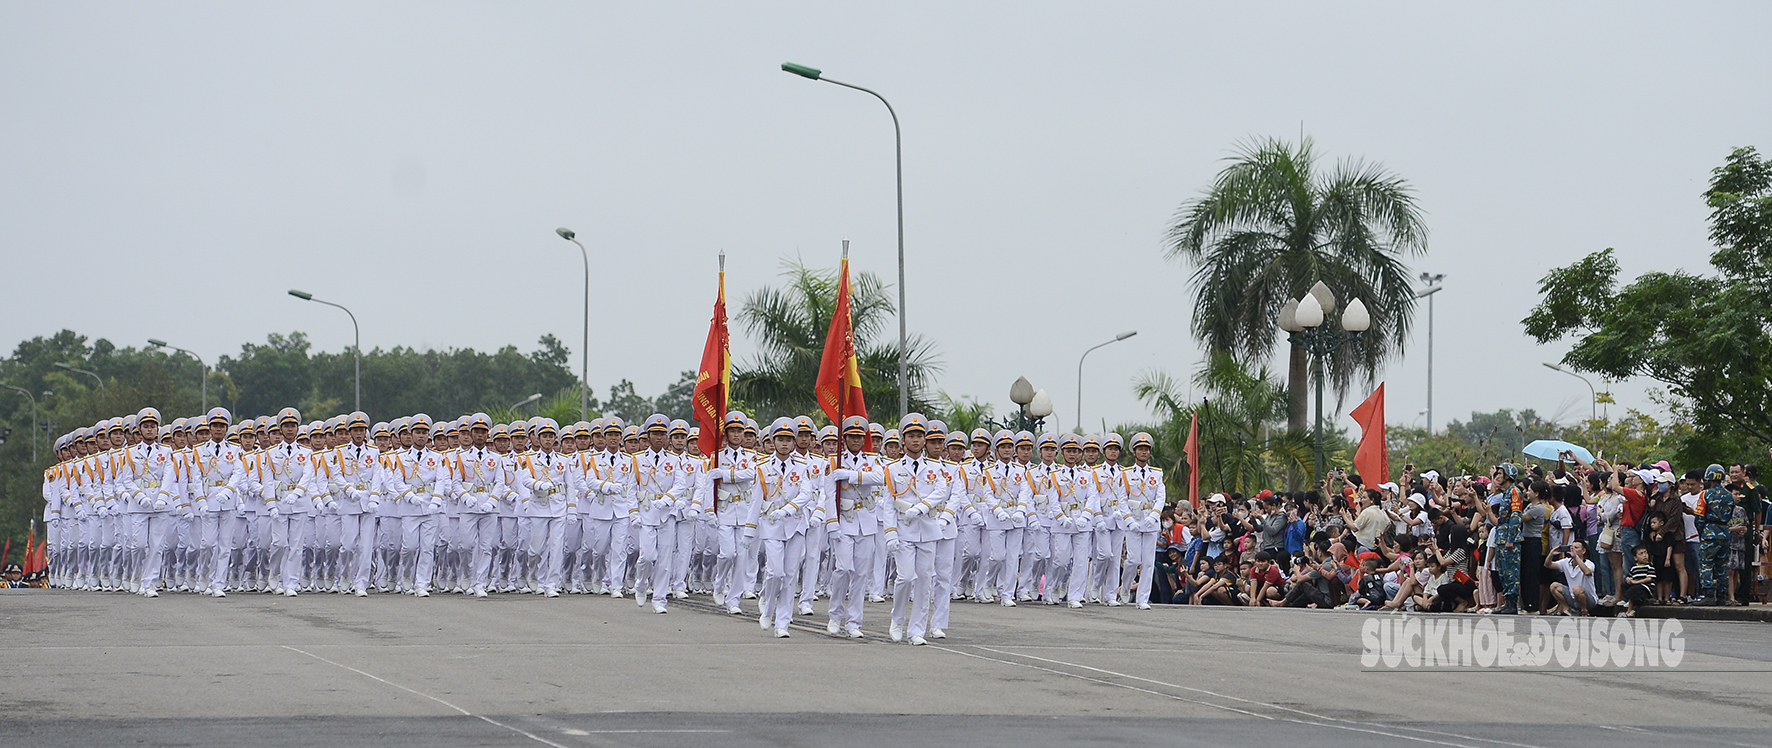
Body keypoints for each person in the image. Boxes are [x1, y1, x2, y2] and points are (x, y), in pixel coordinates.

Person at [1546, 541, 1596, 616]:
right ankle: (1566, 608)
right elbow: (1548, 565)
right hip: (1572, 598)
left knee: (1576, 589)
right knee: (1554, 586)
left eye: (1576, 548)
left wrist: (1576, 557)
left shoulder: (1589, 563)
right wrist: (1551, 554)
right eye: (1572, 547)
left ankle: (1584, 610)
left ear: (1583, 551)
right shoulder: (1566, 562)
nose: (1573, 550)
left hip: (1588, 600)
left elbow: (1587, 572)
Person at [1620, 544, 1657, 617]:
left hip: (1645, 587)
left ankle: (1629, 610)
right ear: (1635, 558)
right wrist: (1628, 579)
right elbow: (1630, 576)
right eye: (1641, 554)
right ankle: (1630, 600)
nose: (1644, 555)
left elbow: (1649, 578)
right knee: (1624, 585)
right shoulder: (1634, 567)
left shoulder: (1649, 566)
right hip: (1636, 587)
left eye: (1645, 553)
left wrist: (1636, 582)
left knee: (1634, 589)